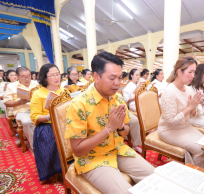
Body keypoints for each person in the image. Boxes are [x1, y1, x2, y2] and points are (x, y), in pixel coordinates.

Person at [65, 52, 154, 194]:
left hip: (117, 149)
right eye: (112, 78)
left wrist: (118, 126)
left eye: (120, 78)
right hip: (92, 158)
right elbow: (78, 150)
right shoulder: (78, 105)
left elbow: (125, 132)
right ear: (96, 77)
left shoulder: (117, 99)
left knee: (154, 176)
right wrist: (108, 128)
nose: (118, 83)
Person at [158, 56, 204, 171]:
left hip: (184, 126)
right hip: (169, 130)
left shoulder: (188, 89)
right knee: (200, 149)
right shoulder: (169, 91)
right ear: (179, 72)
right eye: (190, 72)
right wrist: (190, 107)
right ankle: (199, 177)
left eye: (194, 72)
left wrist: (194, 107)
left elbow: (193, 114)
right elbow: (170, 122)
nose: (193, 76)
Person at [30, 63, 64, 182]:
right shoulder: (38, 93)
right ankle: (53, 170)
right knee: (51, 137)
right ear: (45, 78)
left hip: (64, 122)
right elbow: (34, 116)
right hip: (47, 124)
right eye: (52, 75)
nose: (56, 77)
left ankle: (70, 165)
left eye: (57, 74)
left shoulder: (64, 91)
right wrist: (49, 116)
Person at [4, 67, 38, 148]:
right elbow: (6, 103)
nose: (27, 79)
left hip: (37, 108)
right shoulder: (11, 86)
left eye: (29, 76)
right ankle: (35, 146)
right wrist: (18, 102)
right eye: (23, 77)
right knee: (27, 121)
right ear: (18, 76)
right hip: (22, 110)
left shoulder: (36, 84)